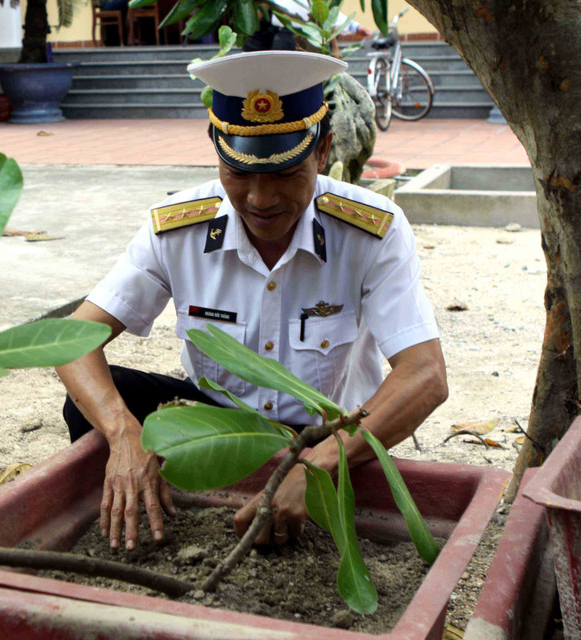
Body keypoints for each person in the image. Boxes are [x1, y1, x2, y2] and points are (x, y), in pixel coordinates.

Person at [55, 50, 447, 552]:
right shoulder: (177, 229)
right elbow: (72, 341)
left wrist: (318, 464)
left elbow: (425, 374)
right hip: (223, 425)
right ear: (217, 153)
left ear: (322, 151)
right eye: (239, 174)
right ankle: (130, 507)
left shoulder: (371, 232)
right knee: (99, 402)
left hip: (329, 435)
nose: (261, 199)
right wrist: (124, 434)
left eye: (285, 174)